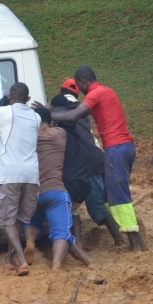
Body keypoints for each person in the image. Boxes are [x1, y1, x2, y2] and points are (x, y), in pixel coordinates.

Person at [45, 66, 147, 251]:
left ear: (84, 81)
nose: (80, 91)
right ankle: (133, 236)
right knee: (108, 196)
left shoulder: (95, 93)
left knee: (118, 197)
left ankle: (135, 241)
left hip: (115, 148)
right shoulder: (108, 91)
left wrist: (48, 114)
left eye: (80, 85)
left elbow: (75, 114)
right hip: (123, 148)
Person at [0, 82, 41, 276]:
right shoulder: (36, 117)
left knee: (7, 219)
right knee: (20, 217)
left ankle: (20, 259)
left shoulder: (3, 113)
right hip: (31, 175)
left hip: (10, 174)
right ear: (27, 99)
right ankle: (10, 258)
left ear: (9, 97)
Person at [51, 79, 124, 247]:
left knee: (96, 205)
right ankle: (121, 231)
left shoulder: (59, 116)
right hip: (100, 159)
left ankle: (119, 239)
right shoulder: (81, 112)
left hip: (87, 165)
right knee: (104, 201)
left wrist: (48, 113)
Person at [25, 107, 92, 270]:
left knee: (33, 222)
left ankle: (30, 241)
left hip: (33, 194)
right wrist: (47, 111)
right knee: (61, 232)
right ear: (50, 121)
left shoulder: (27, 138)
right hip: (55, 191)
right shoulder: (59, 134)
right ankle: (56, 266)